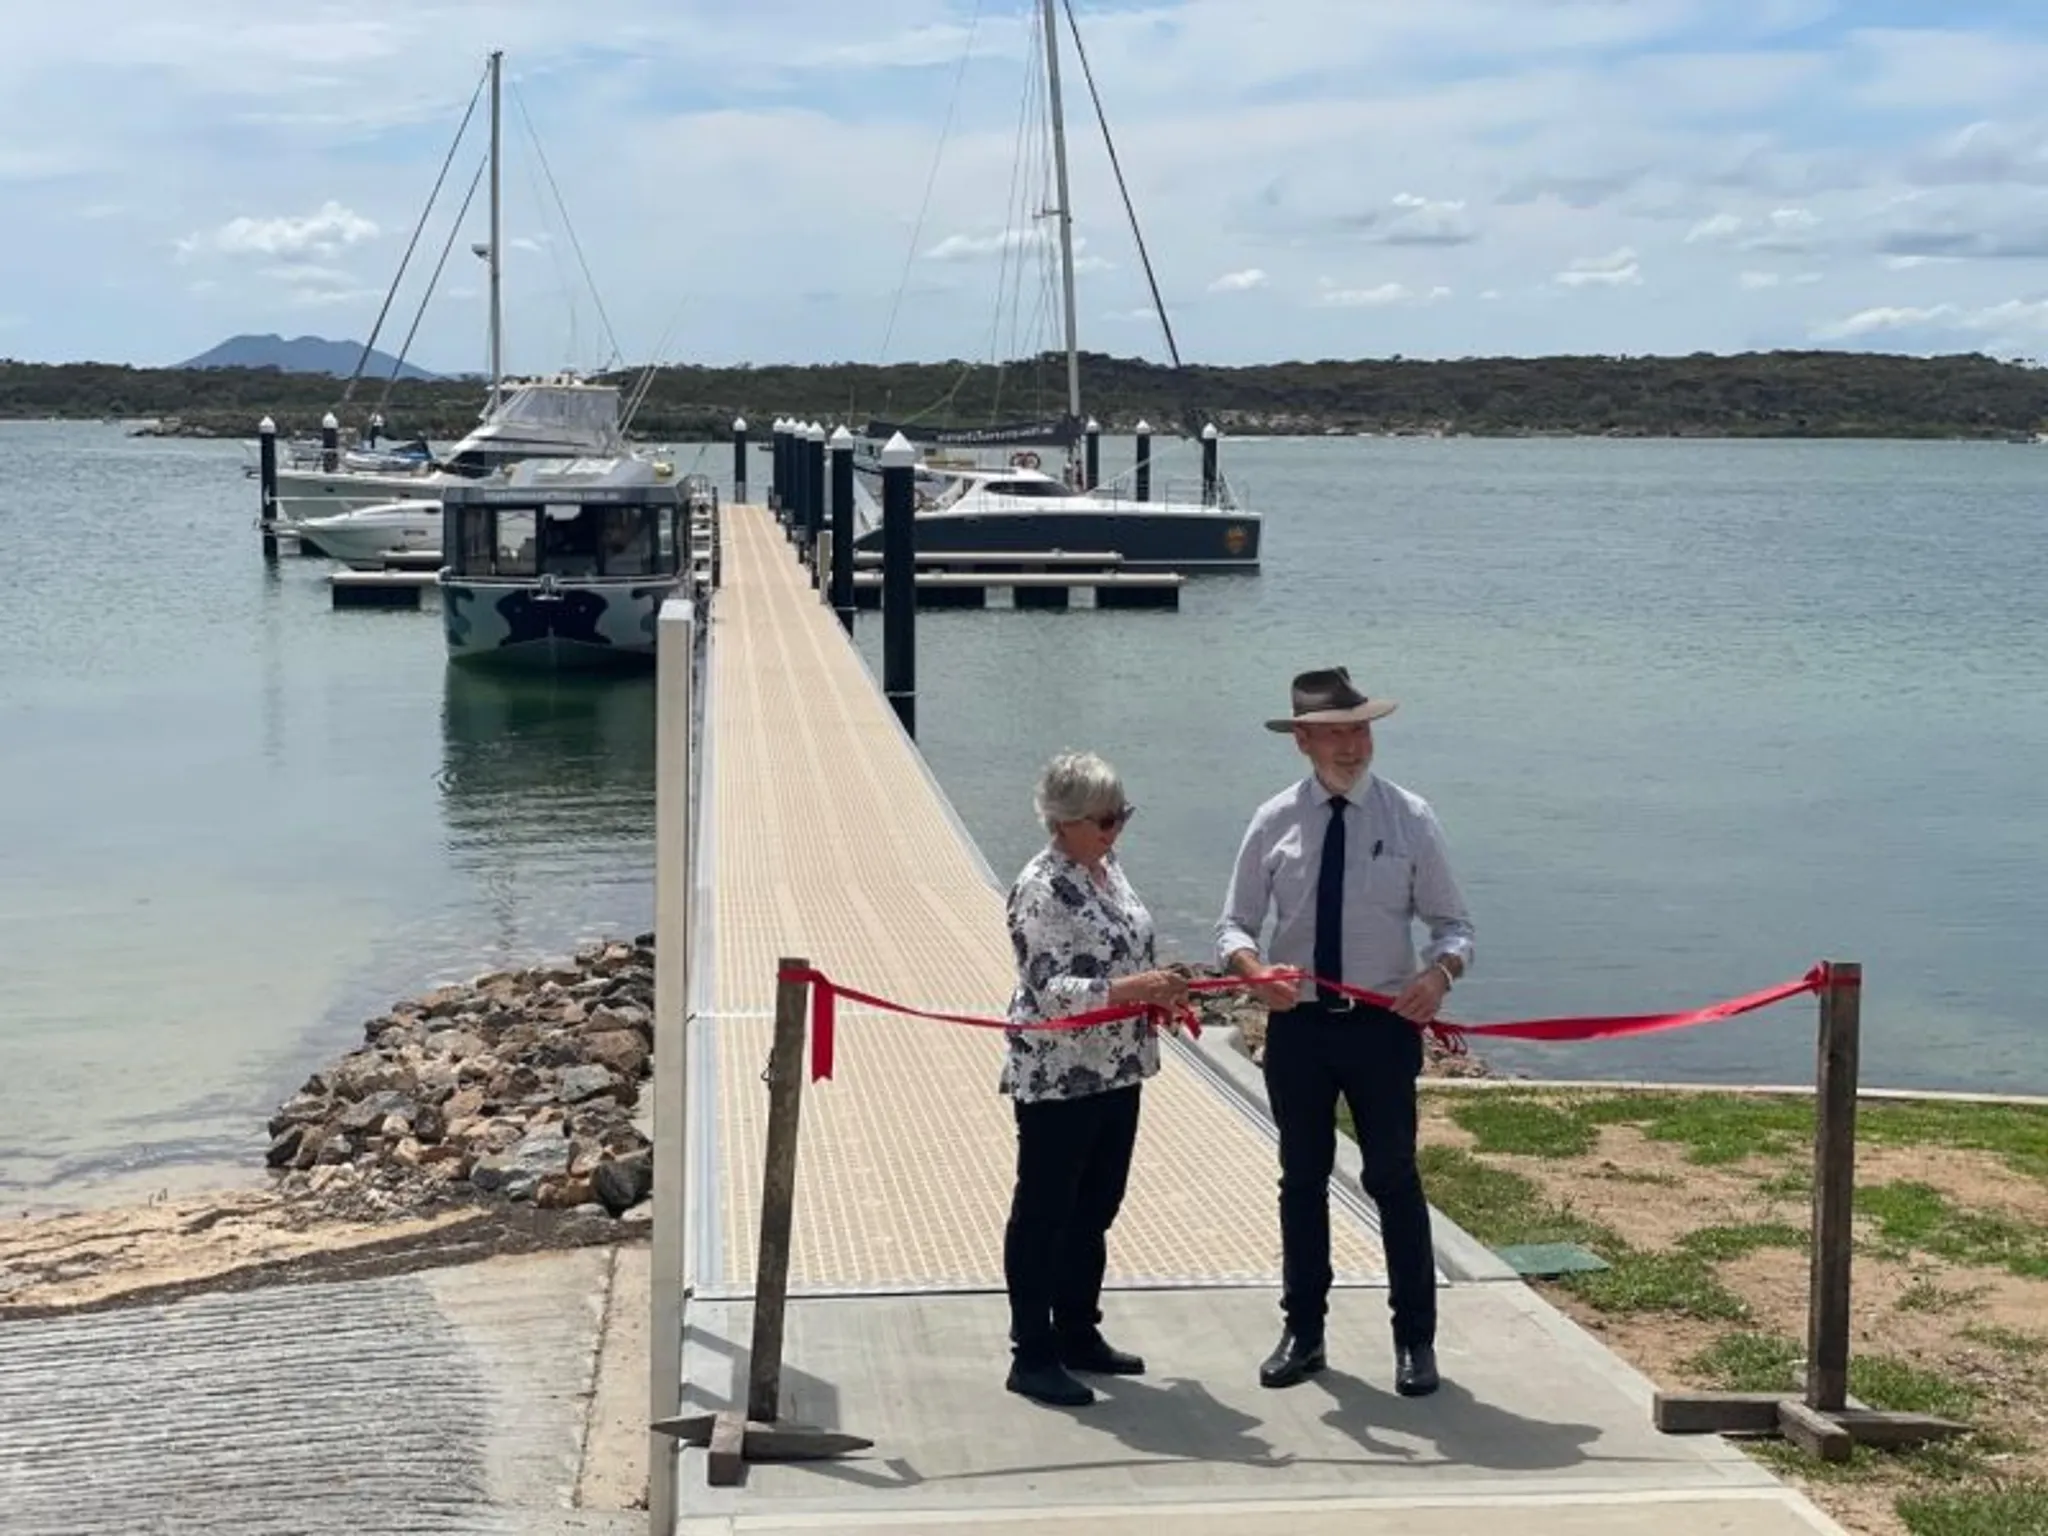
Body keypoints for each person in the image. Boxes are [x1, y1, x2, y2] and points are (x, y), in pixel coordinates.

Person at [1216, 667, 1475, 1397]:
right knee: (1301, 1180)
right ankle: (1304, 1332)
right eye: (1335, 732)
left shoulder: (1410, 819)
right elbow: (1233, 923)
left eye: (1361, 729)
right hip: (1297, 1031)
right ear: (1303, 741)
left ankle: (1415, 1341)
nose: (1353, 746)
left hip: (1383, 1030)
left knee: (1394, 1177)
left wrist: (1439, 977)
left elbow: (1455, 926)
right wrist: (1250, 969)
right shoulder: (1272, 822)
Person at [1001, 750, 1190, 1408]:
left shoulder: (1105, 869)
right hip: (1059, 1074)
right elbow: (1051, 990)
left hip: (1118, 1065)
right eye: (1104, 821)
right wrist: (1133, 987)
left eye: (1122, 817)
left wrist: (1159, 989)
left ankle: (1078, 1330)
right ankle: (1032, 1352)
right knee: (1045, 1211)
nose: (1116, 832)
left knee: (1096, 1207)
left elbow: (1129, 945)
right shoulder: (1041, 886)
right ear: (1064, 822)